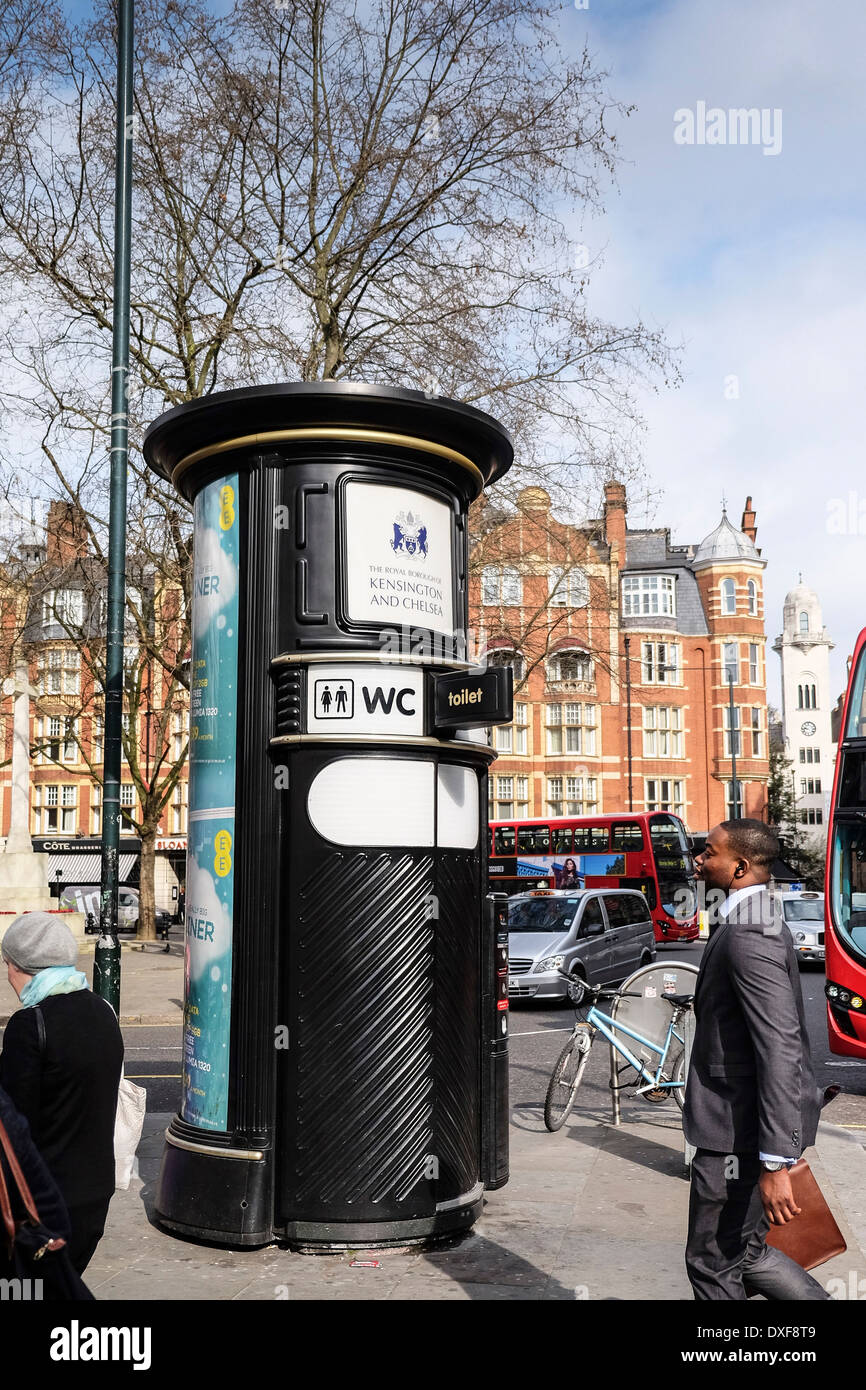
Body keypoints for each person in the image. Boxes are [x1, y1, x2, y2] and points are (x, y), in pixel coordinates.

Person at [683, 819, 830, 1300]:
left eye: (709, 853)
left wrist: (774, 1162)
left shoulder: (750, 932)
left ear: (740, 865)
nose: (699, 861)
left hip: (738, 1131)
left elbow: (781, 1046)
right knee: (742, 1254)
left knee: (713, 1263)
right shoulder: (754, 917)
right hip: (739, 1127)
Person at [0, 912, 124, 1274]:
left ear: (18, 965)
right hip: (94, 1197)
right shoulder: (103, 1011)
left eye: (6, 964)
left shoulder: (30, 1024)